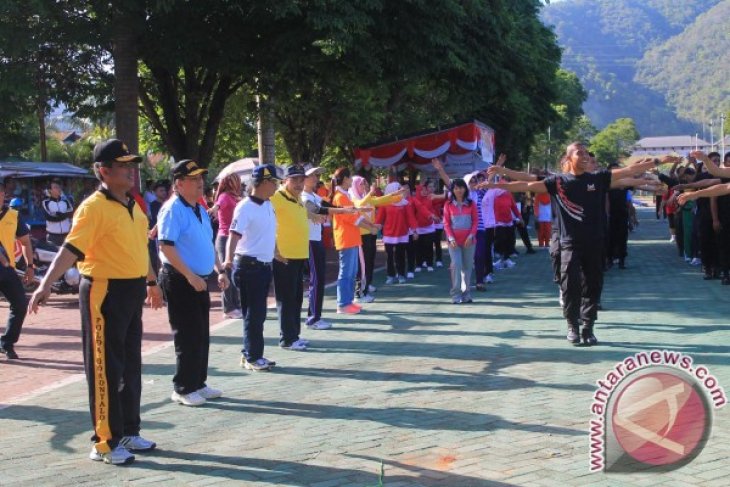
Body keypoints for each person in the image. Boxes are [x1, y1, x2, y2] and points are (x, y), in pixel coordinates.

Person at [28, 139, 164, 465]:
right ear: (104, 171)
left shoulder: (133, 205)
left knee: (130, 365)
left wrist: (151, 281)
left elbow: (138, 248)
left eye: (131, 165)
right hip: (105, 292)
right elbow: (71, 250)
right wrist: (46, 284)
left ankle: (129, 430)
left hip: (132, 290)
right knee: (105, 368)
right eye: (123, 165)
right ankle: (104, 441)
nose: (131, 171)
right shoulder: (93, 207)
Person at [482, 142, 677, 346]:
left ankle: (588, 328)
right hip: (569, 244)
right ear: (568, 159)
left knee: (593, 286)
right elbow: (527, 184)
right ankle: (572, 327)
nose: (584, 156)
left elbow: (629, 170)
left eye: (586, 153)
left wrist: (657, 161)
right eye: (579, 153)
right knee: (569, 286)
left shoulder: (598, 179)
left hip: (595, 243)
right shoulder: (558, 182)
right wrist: (496, 184)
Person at [157, 159, 229, 407]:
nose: (200, 183)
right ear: (179, 184)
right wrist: (189, 275)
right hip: (180, 278)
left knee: (200, 333)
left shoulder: (198, 207)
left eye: (201, 179)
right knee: (187, 334)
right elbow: (166, 245)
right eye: (194, 179)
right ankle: (183, 387)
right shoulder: (172, 209)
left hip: (199, 279)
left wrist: (219, 269)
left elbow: (206, 243)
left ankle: (198, 381)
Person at [225, 164, 281, 371]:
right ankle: (252, 356)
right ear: (264, 183)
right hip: (249, 266)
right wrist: (228, 261)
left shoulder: (267, 205)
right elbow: (233, 235)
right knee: (254, 314)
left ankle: (252, 353)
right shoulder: (245, 207)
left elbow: (268, 233)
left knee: (258, 313)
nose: (276, 186)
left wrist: (275, 252)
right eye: (273, 182)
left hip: (263, 266)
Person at [302, 166, 360, 329]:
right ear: (303, 179)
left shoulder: (313, 195)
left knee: (318, 279)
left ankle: (315, 316)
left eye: (316, 175)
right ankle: (313, 318)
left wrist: (350, 209)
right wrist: (344, 210)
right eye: (312, 175)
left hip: (317, 239)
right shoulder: (303, 196)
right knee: (316, 280)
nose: (315, 178)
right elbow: (318, 209)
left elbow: (326, 205)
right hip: (309, 241)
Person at [269, 165, 312, 351]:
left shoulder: (298, 199)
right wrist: (274, 249)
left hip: (299, 255)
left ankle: (294, 335)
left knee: (296, 298)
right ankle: (287, 338)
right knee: (286, 299)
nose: (298, 184)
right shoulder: (276, 197)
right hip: (284, 257)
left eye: (301, 180)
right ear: (284, 180)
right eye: (294, 180)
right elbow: (267, 221)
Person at [329, 167, 380, 314]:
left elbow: (356, 215)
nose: (352, 180)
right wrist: (370, 227)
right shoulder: (340, 197)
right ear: (344, 179)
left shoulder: (344, 196)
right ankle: (342, 304)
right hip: (346, 239)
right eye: (350, 177)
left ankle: (348, 302)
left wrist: (371, 225)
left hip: (352, 239)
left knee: (352, 272)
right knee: (346, 273)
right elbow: (353, 219)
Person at [349, 175, 405, 302]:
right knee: (361, 265)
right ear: (355, 186)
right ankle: (359, 292)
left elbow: (383, 200)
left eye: (365, 184)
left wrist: (398, 195)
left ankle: (366, 286)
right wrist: (370, 193)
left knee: (369, 262)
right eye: (361, 184)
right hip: (359, 236)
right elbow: (359, 204)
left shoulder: (368, 198)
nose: (364, 186)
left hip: (371, 234)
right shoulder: (353, 198)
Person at [0, 185, 35, 359]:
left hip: (7, 270)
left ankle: (7, 342)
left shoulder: (13, 216)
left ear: (3, 195)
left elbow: (25, 242)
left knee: (20, 304)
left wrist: (30, 266)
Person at [209, 174, 243, 319]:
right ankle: (228, 309)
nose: (239, 184)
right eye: (237, 182)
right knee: (227, 274)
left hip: (234, 239)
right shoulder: (224, 196)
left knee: (234, 274)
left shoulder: (235, 197)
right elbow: (218, 205)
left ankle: (235, 305)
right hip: (224, 239)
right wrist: (213, 209)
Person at [443, 179, 478, 304]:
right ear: (452, 190)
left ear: (465, 189)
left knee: (467, 267)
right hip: (454, 242)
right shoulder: (448, 204)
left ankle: (466, 293)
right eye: (456, 188)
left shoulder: (471, 203)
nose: (459, 190)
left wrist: (471, 236)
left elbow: (475, 222)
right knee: (456, 265)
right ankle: (456, 294)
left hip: (469, 241)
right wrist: (451, 238)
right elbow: (446, 224)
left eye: (461, 187)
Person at [376, 182, 418, 285]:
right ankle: (390, 275)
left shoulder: (405, 203)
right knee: (389, 256)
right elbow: (380, 218)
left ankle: (401, 275)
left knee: (400, 255)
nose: (400, 190)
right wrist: (375, 227)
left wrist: (414, 231)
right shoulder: (385, 203)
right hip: (389, 234)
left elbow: (410, 218)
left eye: (400, 188)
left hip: (402, 233)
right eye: (398, 188)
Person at [42, 179, 74, 245]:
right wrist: (65, 215)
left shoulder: (65, 202)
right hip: (53, 236)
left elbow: (71, 214)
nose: (59, 189)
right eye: (55, 187)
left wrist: (60, 215)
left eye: (59, 187)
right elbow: (50, 217)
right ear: (50, 190)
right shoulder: (46, 202)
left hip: (67, 236)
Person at [147, 181, 168, 274]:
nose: (164, 192)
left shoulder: (168, 203)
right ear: (155, 192)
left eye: (164, 190)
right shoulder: (153, 205)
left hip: (168, 233)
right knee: (159, 256)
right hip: (158, 236)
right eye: (161, 190)